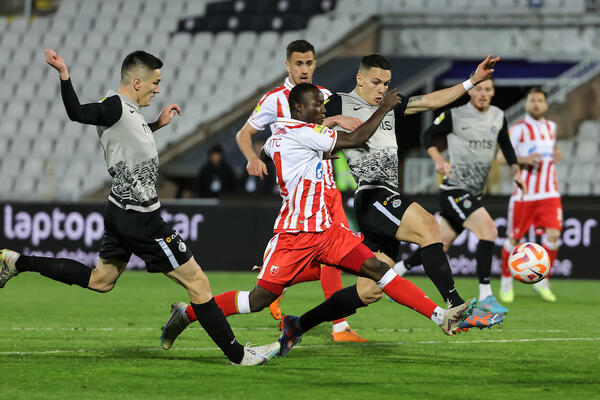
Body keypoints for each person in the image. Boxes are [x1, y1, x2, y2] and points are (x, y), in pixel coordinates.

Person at [0, 49, 280, 366]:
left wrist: (157, 124)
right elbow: (77, 112)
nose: (158, 88)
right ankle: (238, 354)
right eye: (155, 82)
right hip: (140, 219)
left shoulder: (128, 111)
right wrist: (65, 74)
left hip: (120, 210)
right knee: (198, 283)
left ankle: (18, 262)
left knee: (101, 280)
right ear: (137, 82)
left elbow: (130, 137)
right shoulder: (114, 106)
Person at [161, 40, 368, 347]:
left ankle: (293, 294)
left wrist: (332, 120)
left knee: (335, 259)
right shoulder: (274, 99)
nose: (304, 69)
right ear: (288, 66)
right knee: (336, 259)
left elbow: (319, 132)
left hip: (327, 189)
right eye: (298, 63)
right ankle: (335, 323)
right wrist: (253, 159)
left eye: (309, 63)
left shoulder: (321, 95)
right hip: (300, 194)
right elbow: (244, 134)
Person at [395, 76, 525, 314]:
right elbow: (427, 136)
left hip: (474, 193)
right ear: (471, 93)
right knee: (489, 230)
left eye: (488, 89)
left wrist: (516, 172)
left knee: (438, 244)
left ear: (493, 92)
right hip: (454, 189)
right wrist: (438, 160)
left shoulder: (498, 116)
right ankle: (486, 296)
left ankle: (396, 274)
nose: (483, 93)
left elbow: (506, 145)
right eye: (479, 89)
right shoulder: (455, 115)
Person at [499, 87, 562, 303]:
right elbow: (500, 157)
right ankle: (507, 281)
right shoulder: (517, 129)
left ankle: (543, 281)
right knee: (514, 238)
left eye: (540, 100)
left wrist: (556, 154)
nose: (536, 104)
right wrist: (524, 160)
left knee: (553, 235)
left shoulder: (551, 127)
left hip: (549, 192)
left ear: (545, 104)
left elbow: (551, 153)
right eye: (532, 100)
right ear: (526, 104)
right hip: (524, 194)